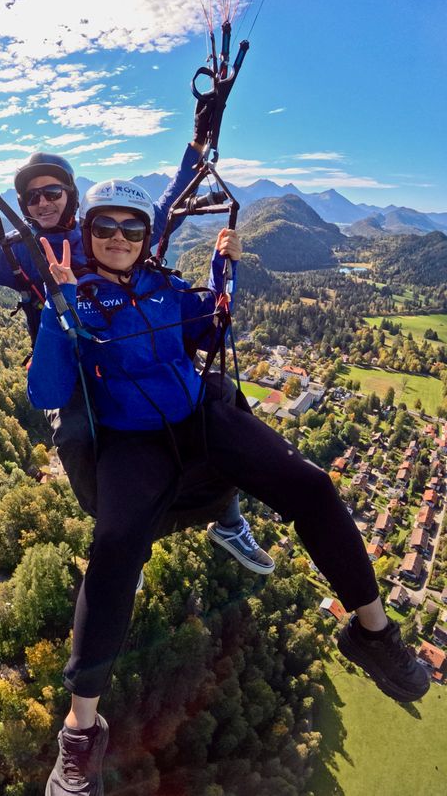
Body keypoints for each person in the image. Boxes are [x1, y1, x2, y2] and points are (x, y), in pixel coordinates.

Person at [27, 179, 431, 795]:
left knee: (312, 487)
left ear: (146, 238)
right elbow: (48, 393)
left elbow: (211, 332)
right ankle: (80, 732)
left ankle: (373, 634)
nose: (118, 238)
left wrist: (224, 272)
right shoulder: (75, 300)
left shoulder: (166, 290)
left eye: (131, 228)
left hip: (199, 419)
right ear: (88, 234)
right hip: (132, 441)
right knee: (113, 548)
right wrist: (58, 309)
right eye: (105, 227)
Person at [0, 103, 273, 576]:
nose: (43, 203)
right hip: (71, 368)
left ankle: (229, 519)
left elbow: (164, 209)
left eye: (52, 192)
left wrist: (196, 145)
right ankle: (120, 534)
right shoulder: (24, 255)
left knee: (204, 403)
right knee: (76, 433)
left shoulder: (103, 231)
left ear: (71, 196)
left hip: (121, 352)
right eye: (32, 198)